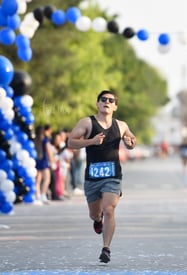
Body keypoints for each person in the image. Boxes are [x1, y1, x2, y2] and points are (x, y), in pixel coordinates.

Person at [67, 90, 136, 263]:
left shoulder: (121, 125)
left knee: (109, 209)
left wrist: (130, 143)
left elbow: (131, 141)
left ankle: (106, 249)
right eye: (103, 99)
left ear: (115, 106)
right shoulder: (87, 123)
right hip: (92, 176)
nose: (107, 102)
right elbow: (71, 142)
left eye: (110, 100)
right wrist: (91, 141)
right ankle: (98, 221)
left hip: (113, 175)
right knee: (95, 214)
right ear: (98, 104)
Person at [34, 124, 55, 204]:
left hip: (37, 160)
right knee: (47, 178)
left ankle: (38, 195)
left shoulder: (35, 140)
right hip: (43, 161)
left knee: (38, 179)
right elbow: (49, 152)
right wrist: (52, 162)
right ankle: (43, 194)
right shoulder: (45, 140)